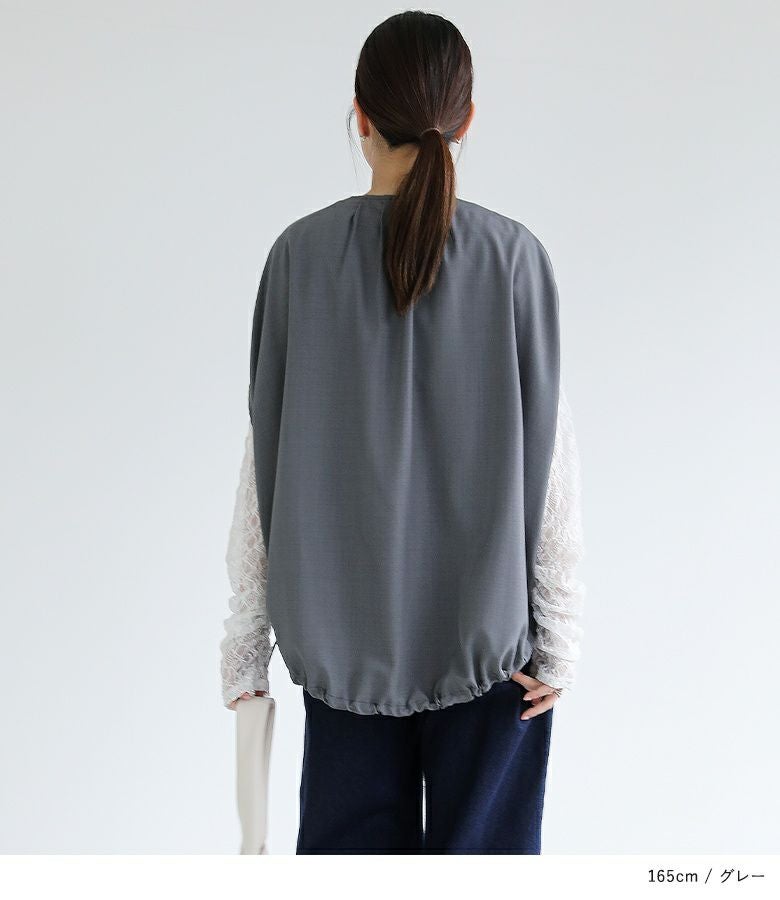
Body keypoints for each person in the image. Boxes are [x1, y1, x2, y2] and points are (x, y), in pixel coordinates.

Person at [219, 10, 585, 854]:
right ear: (466, 120)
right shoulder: (514, 259)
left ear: (360, 114)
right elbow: (552, 467)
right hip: (494, 656)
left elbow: (263, 459)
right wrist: (561, 641)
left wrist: (245, 643)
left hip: (340, 651)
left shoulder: (298, 258)